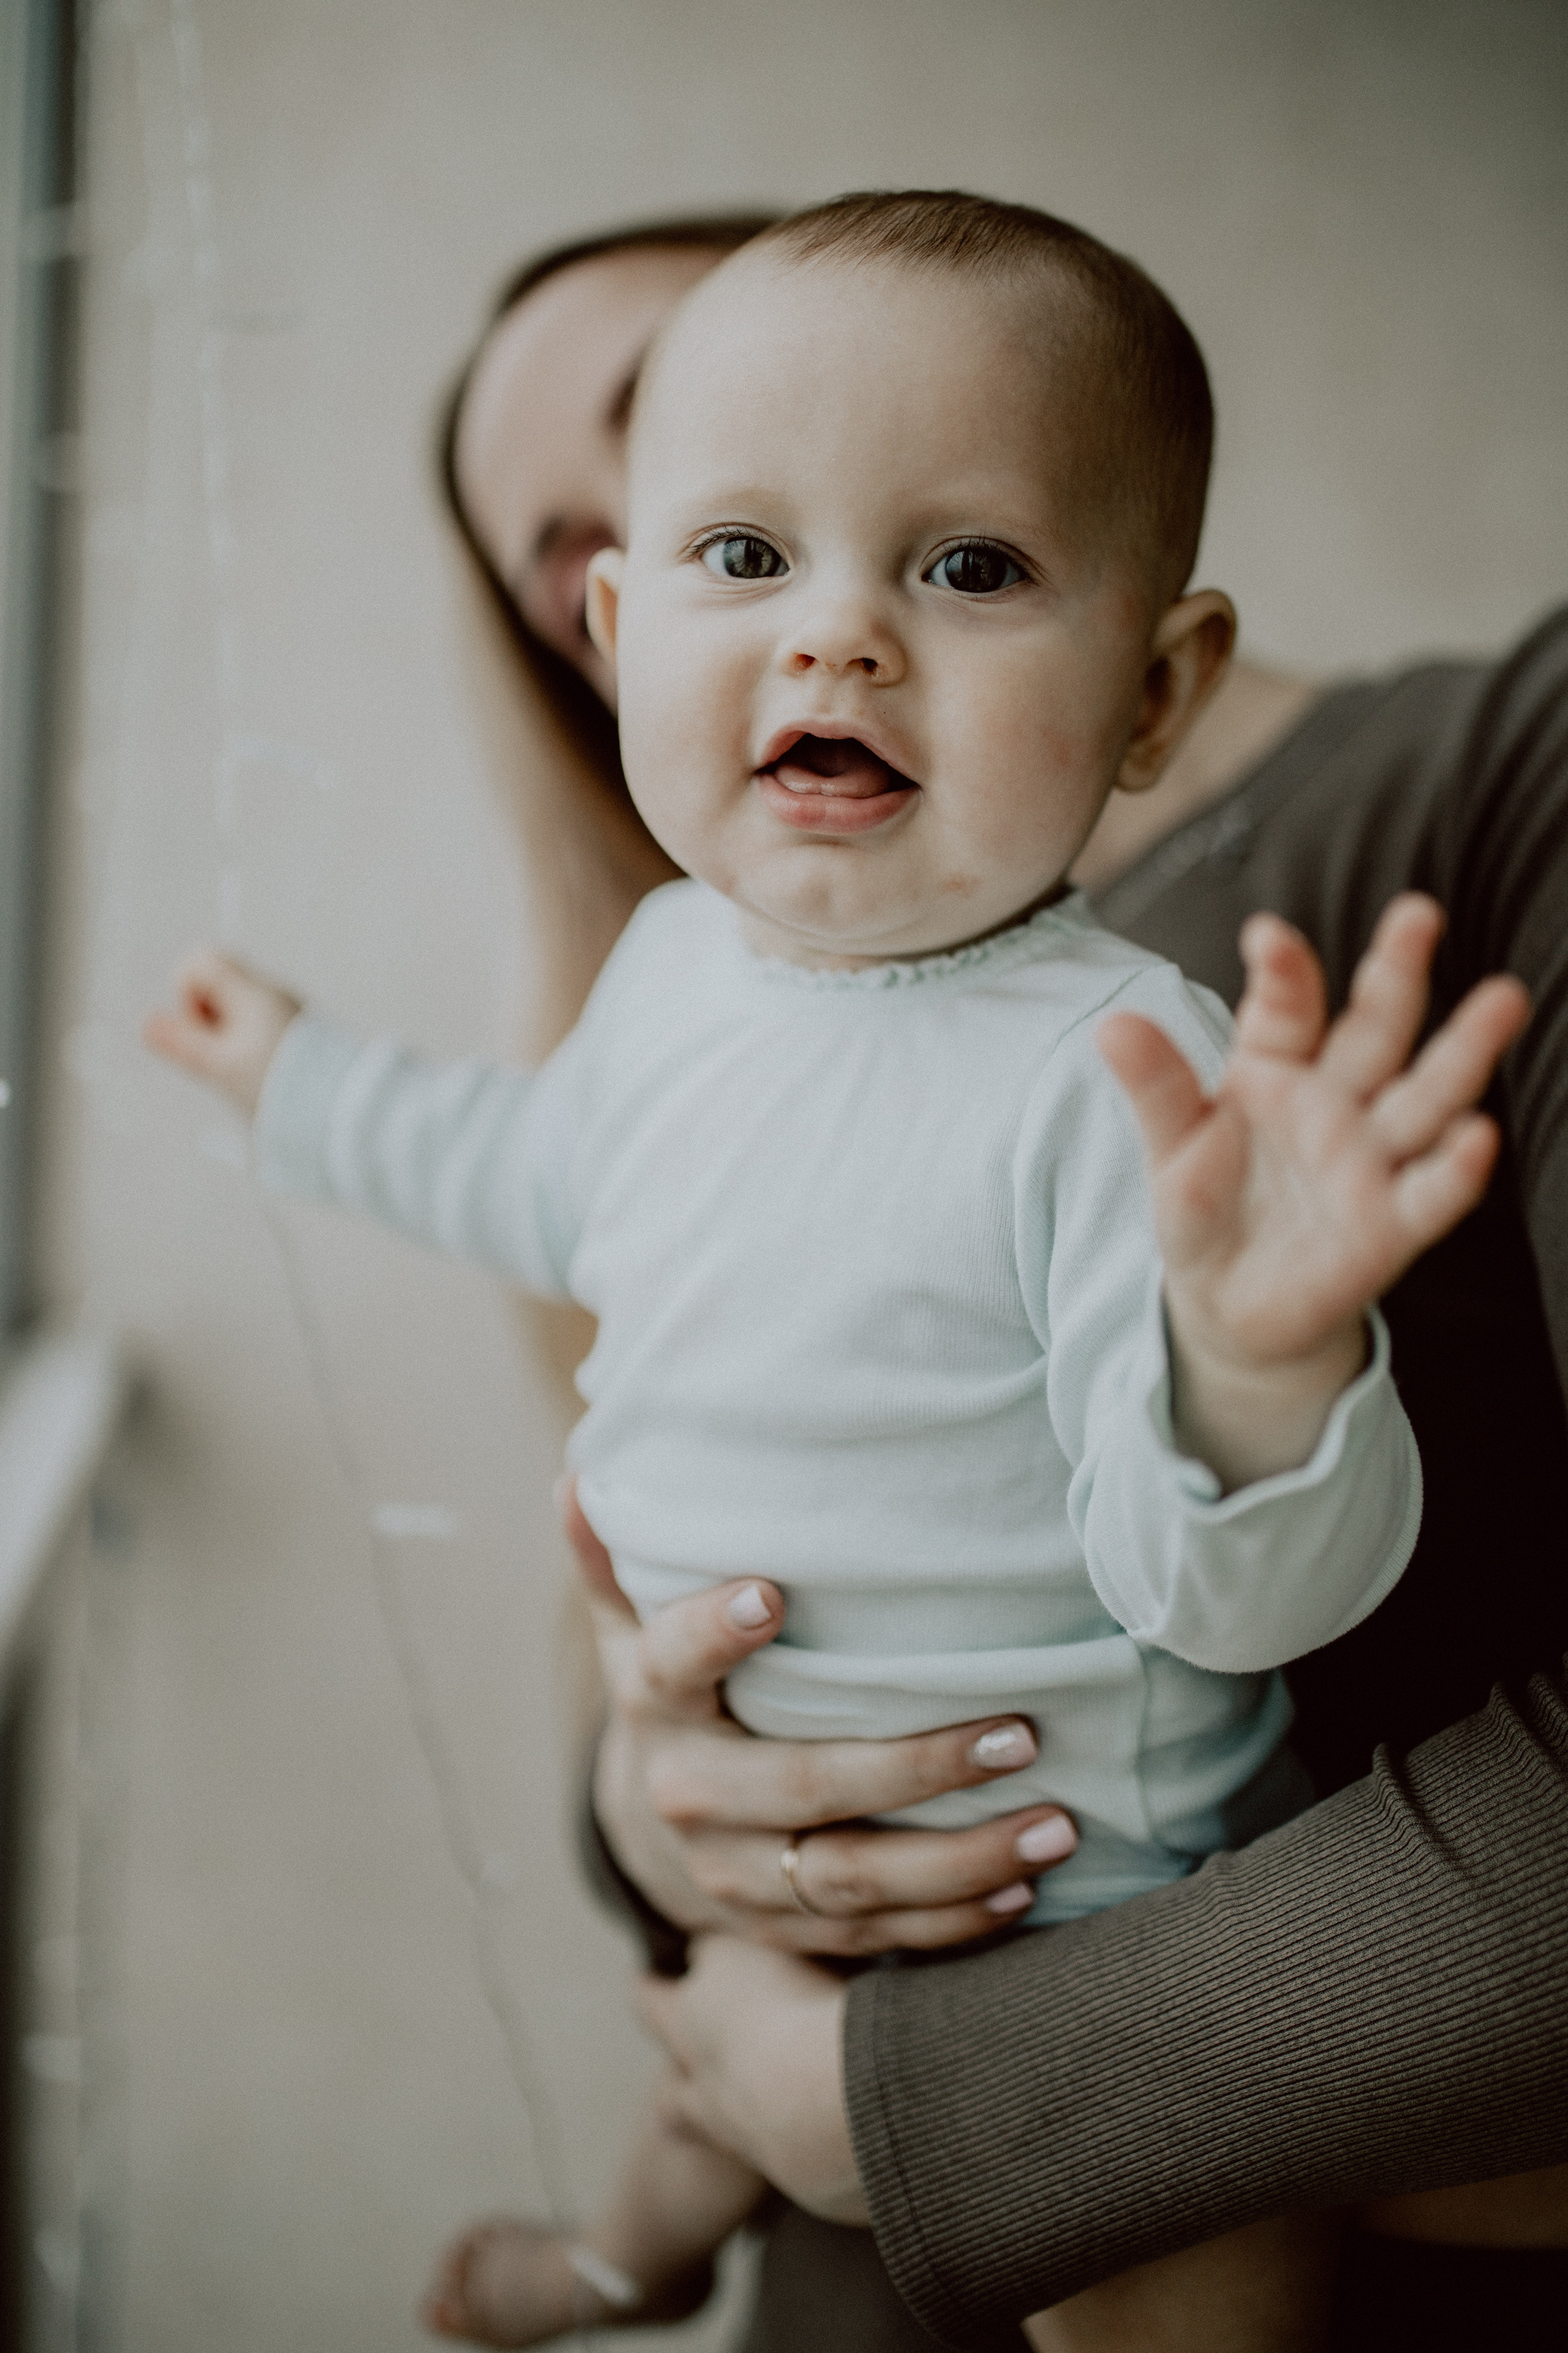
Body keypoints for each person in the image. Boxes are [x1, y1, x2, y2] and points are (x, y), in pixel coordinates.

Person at [145, 192, 1533, 2349]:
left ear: (1153, 686)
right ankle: (621, 2259)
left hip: (1093, 1904)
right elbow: (530, 1174)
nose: (837, 637)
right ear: (618, 631)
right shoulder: (673, 972)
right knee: (695, 2094)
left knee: (1191, 2284)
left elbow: (1234, 1600)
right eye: (740, 551)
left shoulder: (1123, 1068)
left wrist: (1267, 1369)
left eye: (965, 566)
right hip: (767, 1879)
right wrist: (301, 1082)